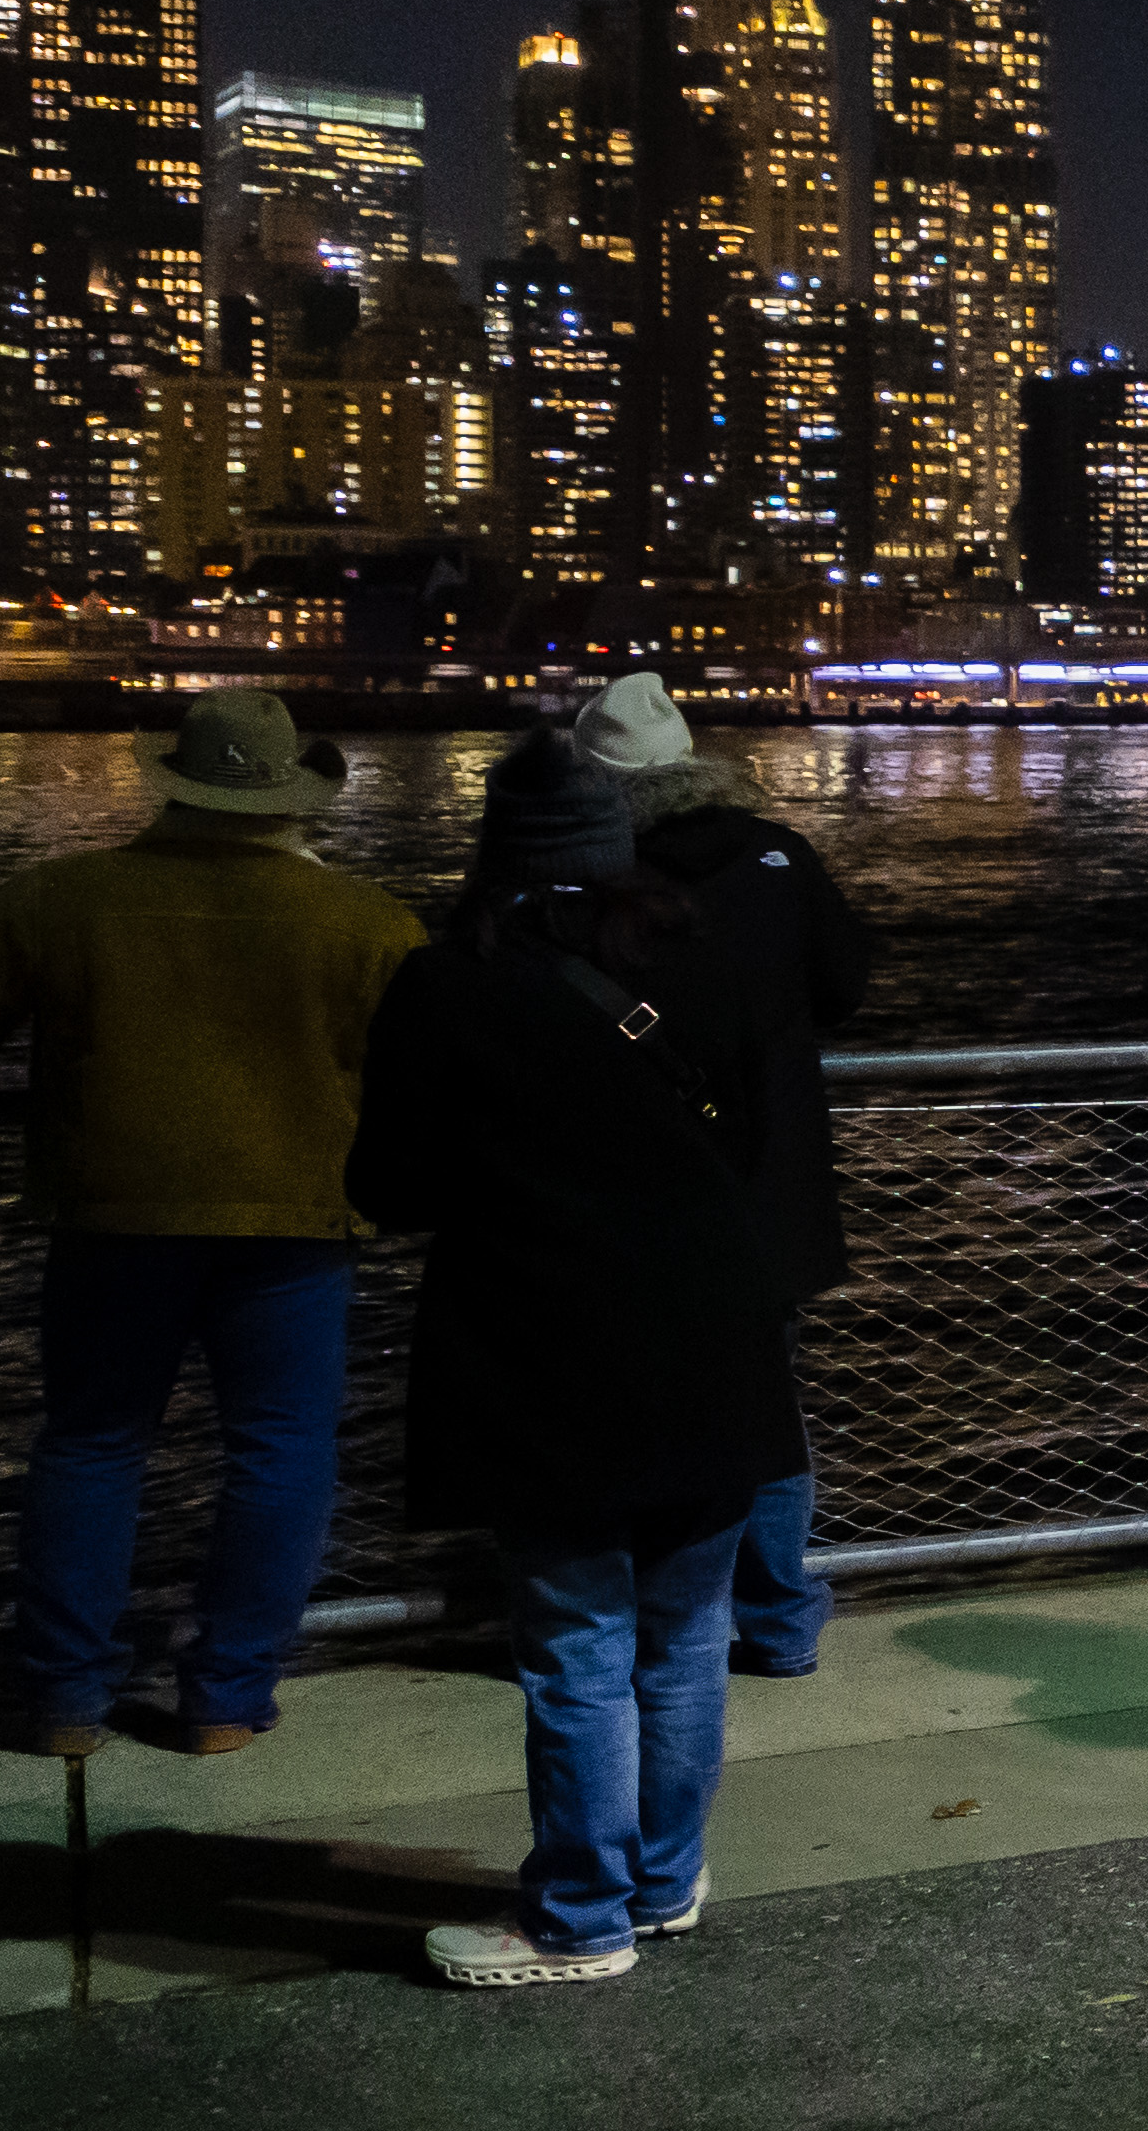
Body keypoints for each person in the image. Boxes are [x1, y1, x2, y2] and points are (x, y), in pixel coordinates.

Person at [0, 692, 428, 1760]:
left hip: (114, 1210)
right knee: (282, 1453)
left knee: (94, 1444)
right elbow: (427, 1082)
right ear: (293, 801)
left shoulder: (60, 901)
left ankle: (65, 1698)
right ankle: (226, 1699)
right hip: (296, 1218)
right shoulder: (372, 925)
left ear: (173, 786)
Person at [347, 736, 807, 1986]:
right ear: (619, 850)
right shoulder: (707, 963)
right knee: (687, 1630)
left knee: (576, 1643)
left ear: (496, 857)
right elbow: (756, 1137)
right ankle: (662, 1880)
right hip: (716, 1344)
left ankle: (578, 1916)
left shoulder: (449, 985)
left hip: (544, 1358)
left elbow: (389, 1184)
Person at [563, 672, 875, 1675]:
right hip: (771, 1188)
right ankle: (779, 1617)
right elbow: (846, 988)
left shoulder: (588, 882)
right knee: (766, 1409)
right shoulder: (778, 857)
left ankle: (646, 1614)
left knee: (625, 1408)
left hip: (630, 1194)